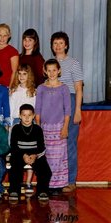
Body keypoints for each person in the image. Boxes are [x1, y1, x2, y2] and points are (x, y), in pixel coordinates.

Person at [51, 31, 84, 193]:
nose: (58, 46)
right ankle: (55, 180)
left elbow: (78, 88)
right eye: (55, 43)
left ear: (66, 45)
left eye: (61, 43)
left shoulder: (74, 63)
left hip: (69, 102)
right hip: (53, 103)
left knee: (69, 143)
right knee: (54, 144)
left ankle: (70, 180)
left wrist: (77, 110)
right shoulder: (49, 64)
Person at [35, 59, 71, 194]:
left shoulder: (64, 88)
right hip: (44, 127)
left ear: (59, 70)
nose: (51, 73)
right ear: (45, 71)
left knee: (59, 156)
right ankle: (46, 184)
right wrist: (38, 128)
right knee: (47, 156)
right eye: (48, 70)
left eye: (54, 70)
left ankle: (58, 185)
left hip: (59, 127)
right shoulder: (41, 88)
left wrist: (65, 127)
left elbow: (67, 110)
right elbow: (37, 109)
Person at [9, 104, 52, 202]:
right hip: (20, 154)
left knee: (45, 171)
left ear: (33, 116)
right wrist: (23, 155)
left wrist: (35, 155)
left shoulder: (37, 129)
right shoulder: (15, 129)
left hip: (35, 155)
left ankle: (42, 191)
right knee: (15, 169)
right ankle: (14, 191)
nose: (27, 118)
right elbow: (13, 146)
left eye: (29, 115)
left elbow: (41, 147)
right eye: (24, 115)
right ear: (19, 116)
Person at [9, 64, 37, 191]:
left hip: (30, 123)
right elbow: (11, 110)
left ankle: (29, 182)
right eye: (19, 74)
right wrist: (10, 125)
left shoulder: (33, 92)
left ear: (29, 75)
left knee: (31, 150)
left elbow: (35, 110)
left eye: (24, 74)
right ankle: (17, 181)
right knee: (17, 152)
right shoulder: (13, 91)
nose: (21, 76)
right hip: (16, 122)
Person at [0, 23, 19, 88]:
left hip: (6, 86)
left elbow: (14, 72)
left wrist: (10, 88)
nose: (2, 38)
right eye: (0, 35)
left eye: (5, 35)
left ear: (9, 36)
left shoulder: (13, 51)